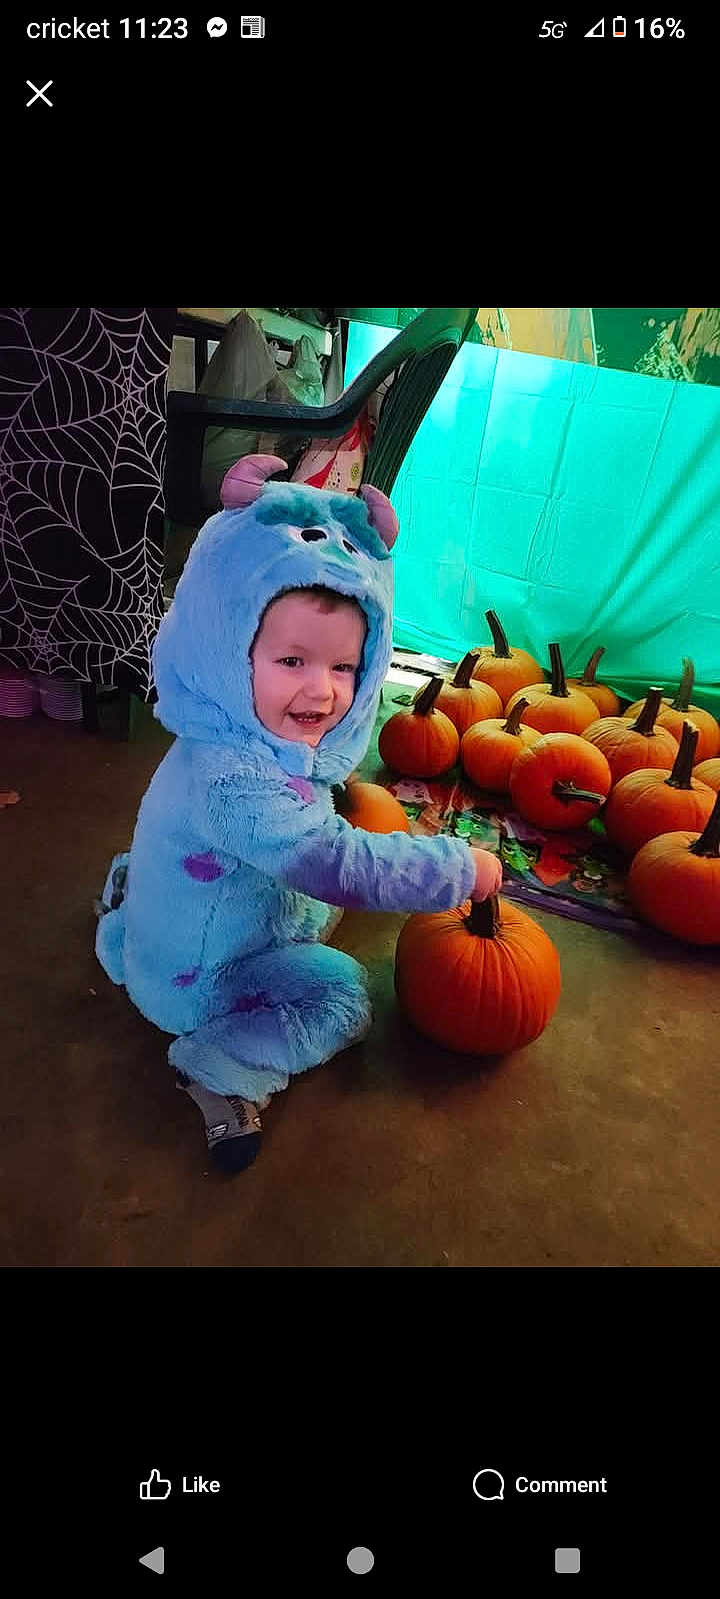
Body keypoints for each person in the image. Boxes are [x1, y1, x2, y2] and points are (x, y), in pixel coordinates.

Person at [95, 455, 503, 1174]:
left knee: (304, 906)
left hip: (183, 929)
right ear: (227, 646)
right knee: (345, 995)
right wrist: (456, 867)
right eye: (291, 661)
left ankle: (131, 908)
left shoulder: (231, 734)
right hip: (203, 983)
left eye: (344, 667)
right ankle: (218, 1064)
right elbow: (336, 862)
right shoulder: (237, 784)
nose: (323, 691)